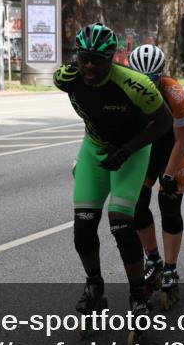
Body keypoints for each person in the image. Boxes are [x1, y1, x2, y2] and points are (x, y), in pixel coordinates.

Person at [54, 23, 173, 325]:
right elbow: (70, 77)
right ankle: (94, 285)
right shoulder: (67, 78)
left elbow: (163, 123)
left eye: (98, 59)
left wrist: (128, 149)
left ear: (112, 58)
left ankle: (137, 294)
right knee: (83, 225)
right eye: (84, 58)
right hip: (93, 149)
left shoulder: (136, 85)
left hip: (131, 152)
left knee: (120, 223)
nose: (90, 65)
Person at [128, 44, 184, 310]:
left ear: (161, 75)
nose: (148, 86)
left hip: (176, 146)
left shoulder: (174, 92)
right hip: (147, 148)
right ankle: (153, 258)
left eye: (152, 80)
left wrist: (167, 175)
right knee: (137, 205)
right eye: (142, 81)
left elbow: (181, 139)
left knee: (169, 203)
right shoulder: (125, 90)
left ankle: (171, 268)